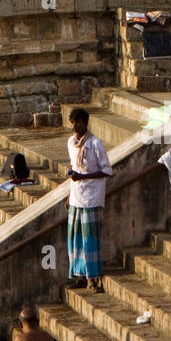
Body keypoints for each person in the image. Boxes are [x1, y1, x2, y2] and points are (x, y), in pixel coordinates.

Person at [66, 107, 112, 294]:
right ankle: (79, 275)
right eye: (73, 123)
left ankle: (93, 279)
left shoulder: (95, 144)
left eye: (79, 122)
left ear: (85, 123)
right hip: (76, 196)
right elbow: (72, 167)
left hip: (91, 197)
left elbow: (107, 170)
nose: (76, 127)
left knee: (89, 240)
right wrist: (69, 195)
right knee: (75, 239)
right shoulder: (71, 142)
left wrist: (83, 177)